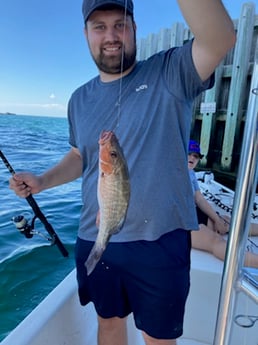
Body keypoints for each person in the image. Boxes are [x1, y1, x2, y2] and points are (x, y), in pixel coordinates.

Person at [9, 1, 236, 344]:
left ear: (135, 28)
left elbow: (219, 38)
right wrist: (43, 181)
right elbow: (79, 155)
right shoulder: (78, 99)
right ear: (85, 34)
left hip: (159, 240)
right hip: (95, 234)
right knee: (108, 323)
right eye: (99, 27)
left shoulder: (169, 73)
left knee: (158, 336)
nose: (111, 35)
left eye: (120, 24)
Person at [188, 140, 258, 268]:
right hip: (180, 222)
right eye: (189, 153)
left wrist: (216, 219)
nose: (192, 157)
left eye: (196, 156)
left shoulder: (191, 174)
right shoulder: (171, 174)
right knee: (215, 241)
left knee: (229, 222)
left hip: (194, 212)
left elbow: (199, 199)